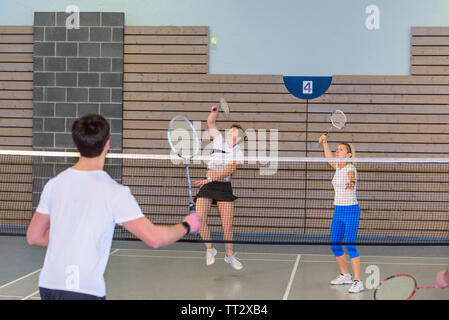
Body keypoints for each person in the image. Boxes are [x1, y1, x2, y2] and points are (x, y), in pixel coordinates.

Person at [26, 114, 200, 300]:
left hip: (48, 284)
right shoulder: (115, 193)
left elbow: (34, 236)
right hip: (84, 290)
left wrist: (71, 237)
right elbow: (154, 239)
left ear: (76, 144)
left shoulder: (54, 184)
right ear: (107, 144)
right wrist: (187, 225)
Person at [194, 105, 245, 270]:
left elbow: (228, 171)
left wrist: (208, 178)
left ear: (239, 138)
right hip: (208, 185)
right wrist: (213, 113)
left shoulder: (238, 152)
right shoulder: (218, 140)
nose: (230, 133)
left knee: (227, 226)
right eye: (230, 131)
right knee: (199, 219)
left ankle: (229, 256)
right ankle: (210, 249)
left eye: (234, 132)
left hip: (223, 188)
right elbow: (210, 124)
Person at [318, 134, 363, 293]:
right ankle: (345, 275)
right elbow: (328, 157)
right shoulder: (338, 167)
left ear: (349, 154)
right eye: (336, 150)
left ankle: (358, 281)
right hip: (338, 211)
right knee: (335, 244)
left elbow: (351, 177)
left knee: (350, 245)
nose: (337, 151)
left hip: (350, 211)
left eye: (341, 149)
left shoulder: (351, 168)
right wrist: (325, 142)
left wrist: (352, 182)